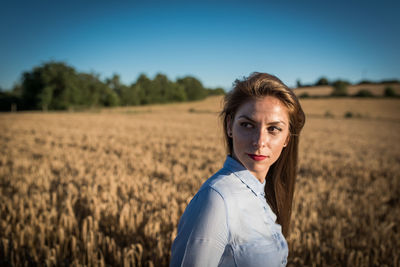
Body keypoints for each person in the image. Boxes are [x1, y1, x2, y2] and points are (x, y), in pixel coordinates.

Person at [170, 72, 306, 267]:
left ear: (287, 139)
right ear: (229, 126)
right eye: (247, 125)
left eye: (273, 129)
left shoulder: (261, 193)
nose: (259, 142)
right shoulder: (217, 199)